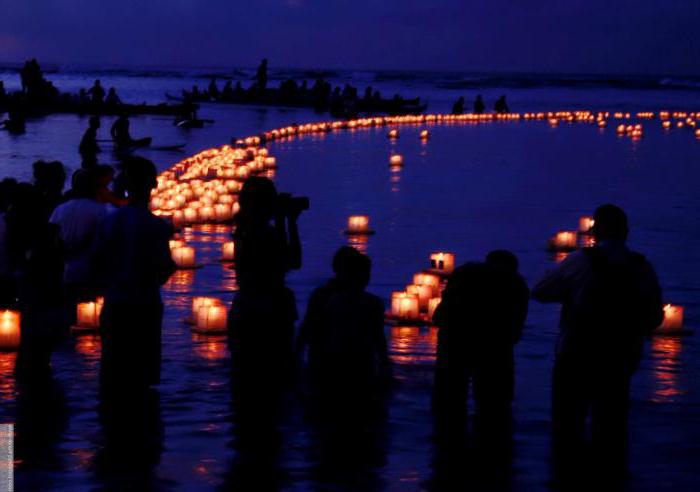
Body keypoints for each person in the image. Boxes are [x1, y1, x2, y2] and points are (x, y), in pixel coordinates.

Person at [532, 204, 664, 480]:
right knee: (612, 427)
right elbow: (654, 315)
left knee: (568, 425)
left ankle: (566, 478)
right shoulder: (641, 266)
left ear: (595, 231)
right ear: (626, 232)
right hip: (621, 357)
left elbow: (541, 291)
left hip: (577, 352)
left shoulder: (580, 261)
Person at [93, 156, 176, 390]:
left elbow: (97, 263)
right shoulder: (158, 227)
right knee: (142, 378)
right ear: (154, 184)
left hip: (115, 305)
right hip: (144, 307)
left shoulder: (108, 222)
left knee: (113, 373)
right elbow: (162, 270)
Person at [432, 250, 529, 425]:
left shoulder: (465, 273)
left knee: (449, 397)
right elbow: (517, 325)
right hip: (495, 346)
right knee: (494, 403)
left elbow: (441, 313)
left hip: (454, 339)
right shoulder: (516, 283)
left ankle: (446, 439)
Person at [228, 177, 303, 382]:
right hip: (268, 310)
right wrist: (289, 222)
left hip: (245, 308)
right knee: (273, 377)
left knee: (245, 378)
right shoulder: (261, 233)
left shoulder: (242, 231)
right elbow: (292, 261)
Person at [297, 247, 389, 392]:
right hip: (333, 365)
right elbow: (307, 329)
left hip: (348, 366)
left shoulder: (371, 303)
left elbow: (379, 339)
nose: (364, 278)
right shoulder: (325, 298)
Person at [50, 169, 108, 315]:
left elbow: (52, 238)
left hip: (65, 272)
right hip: (91, 272)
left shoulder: (60, 209)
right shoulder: (100, 211)